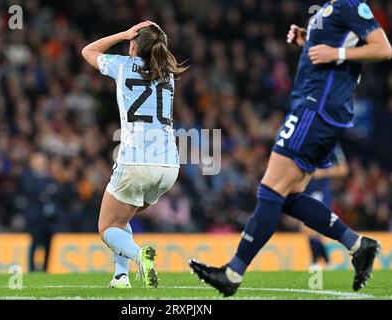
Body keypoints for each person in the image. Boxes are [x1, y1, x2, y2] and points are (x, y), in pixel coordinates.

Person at [190, 0, 391, 296]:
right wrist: (306, 40)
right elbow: (329, 53)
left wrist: (338, 52)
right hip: (317, 108)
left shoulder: (350, 4)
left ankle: (233, 272)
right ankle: (358, 245)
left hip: (316, 109)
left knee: (270, 189)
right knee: (287, 195)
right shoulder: (329, 7)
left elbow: (383, 47)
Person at [81, 21, 187, 288]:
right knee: (122, 218)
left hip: (136, 162)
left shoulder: (122, 65)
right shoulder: (168, 76)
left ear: (132, 46)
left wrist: (123, 33)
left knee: (107, 228)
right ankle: (120, 276)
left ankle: (140, 256)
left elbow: (88, 51)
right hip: (168, 167)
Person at [304, 145, 349, 267]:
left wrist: (323, 172)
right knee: (307, 228)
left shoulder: (331, 144)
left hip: (320, 190)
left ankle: (315, 262)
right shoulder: (302, 140)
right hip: (304, 191)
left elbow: (344, 169)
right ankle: (326, 262)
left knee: (310, 226)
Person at [22, 152, 59, 272]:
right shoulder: (28, 176)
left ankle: (45, 268)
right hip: (35, 217)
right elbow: (31, 189)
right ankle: (31, 268)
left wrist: (44, 191)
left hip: (49, 218)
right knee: (34, 242)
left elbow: (58, 190)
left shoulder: (49, 177)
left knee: (48, 243)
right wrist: (47, 190)